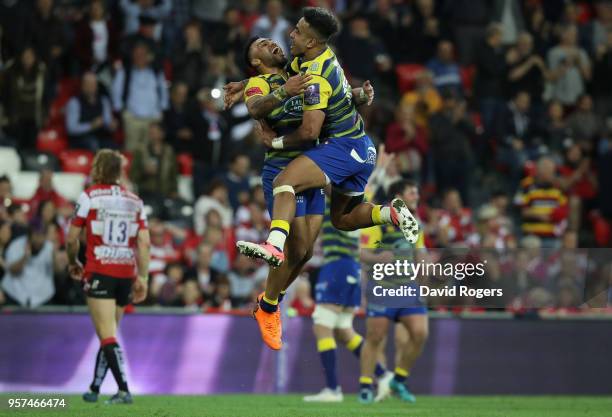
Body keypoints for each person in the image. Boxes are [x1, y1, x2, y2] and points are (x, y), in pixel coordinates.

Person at [229, 9, 420, 350]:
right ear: (255, 62)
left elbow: (310, 128)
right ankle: (269, 301)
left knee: (303, 252)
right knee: (296, 240)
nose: (282, 38)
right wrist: (258, 88)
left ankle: (270, 294)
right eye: (262, 44)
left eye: (296, 32)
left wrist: (352, 96)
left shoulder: (303, 70)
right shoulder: (271, 79)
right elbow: (257, 108)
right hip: (288, 165)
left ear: (312, 41)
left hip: (317, 160)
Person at [66, 149, 150, 404]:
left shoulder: (89, 196)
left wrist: (73, 262)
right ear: (119, 171)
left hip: (100, 269)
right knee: (109, 331)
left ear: (98, 168)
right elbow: (144, 243)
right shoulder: (135, 200)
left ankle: (124, 389)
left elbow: (71, 239)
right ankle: (94, 387)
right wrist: (143, 278)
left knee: (106, 334)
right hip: (126, 272)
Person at [303, 198, 388, 403]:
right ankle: (384, 375)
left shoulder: (335, 203)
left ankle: (332, 389)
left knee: (322, 325)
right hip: (350, 268)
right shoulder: (356, 204)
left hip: (337, 267)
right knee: (343, 330)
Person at [359, 180, 428, 404]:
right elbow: (361, 253)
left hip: (408, 288)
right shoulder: (379, 219)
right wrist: (378, 257)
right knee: (375, 338)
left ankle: (399, 379)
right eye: (412, 191)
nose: (416, 195)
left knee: (420, 333)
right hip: (382, 287)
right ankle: (366, 386)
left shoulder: (414, 224)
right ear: (398, 196)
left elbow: (420, 255)